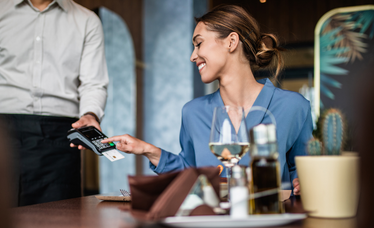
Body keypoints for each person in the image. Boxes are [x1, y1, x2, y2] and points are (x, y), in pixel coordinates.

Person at [101, 5, 312, 195]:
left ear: (231, 42)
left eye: (198, 44)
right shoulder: (193, 112)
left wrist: (302, 181)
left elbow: (300, 170)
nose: (193, 56)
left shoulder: (294, 107)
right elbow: (192, 175)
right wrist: (148, 150)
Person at [0, 0, 108, 206]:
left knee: (58, 222)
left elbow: (94, 83)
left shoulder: (87, 21)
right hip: (3, 130)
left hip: (58, 139)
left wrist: (90, 114)